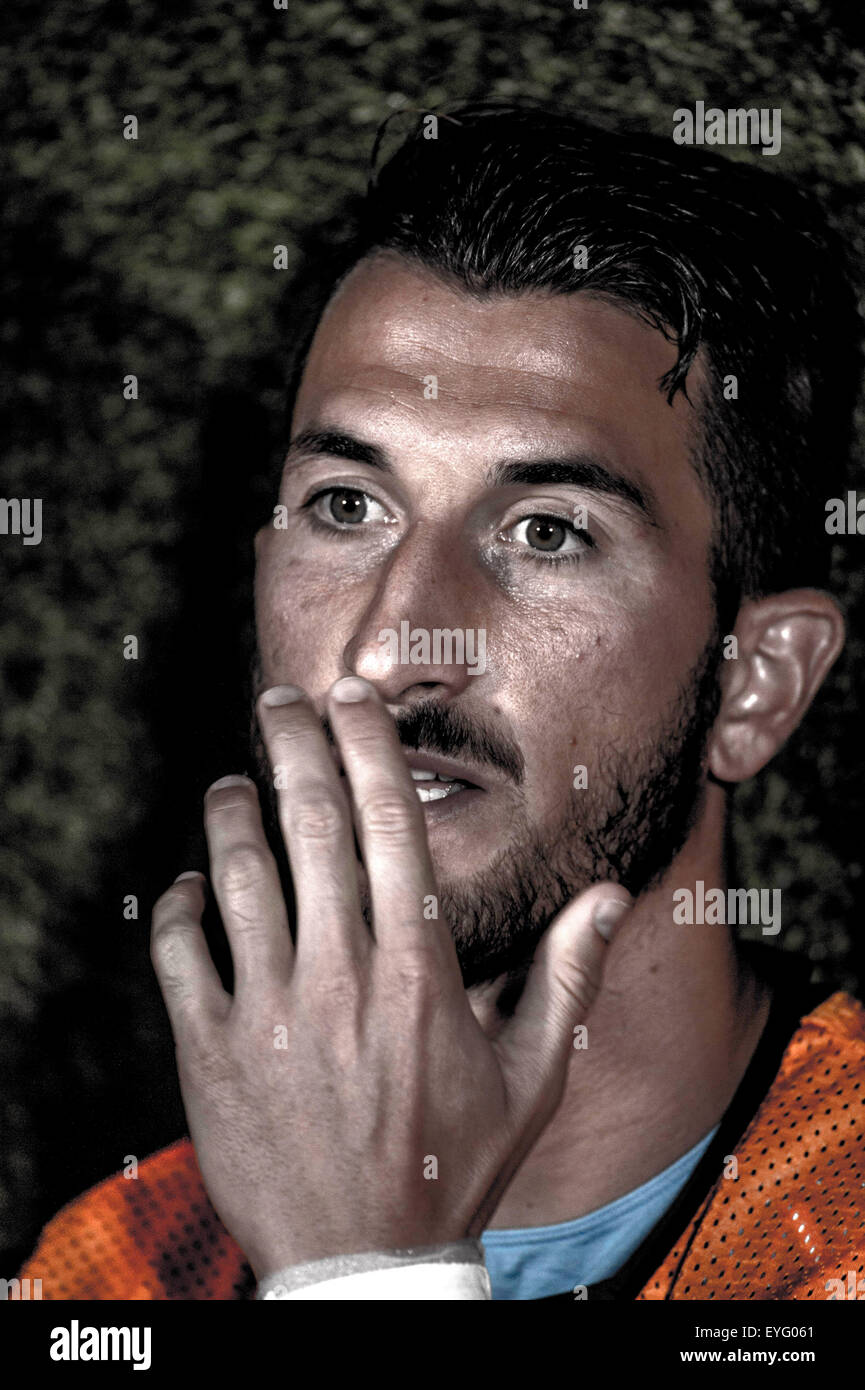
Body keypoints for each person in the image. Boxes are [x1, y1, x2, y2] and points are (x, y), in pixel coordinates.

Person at [17, 102, 864, 1301]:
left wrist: (363, 1276)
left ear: (755, 681)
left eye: (547, 530)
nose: (392, 644)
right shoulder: (108, 1272)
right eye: (347, 507)